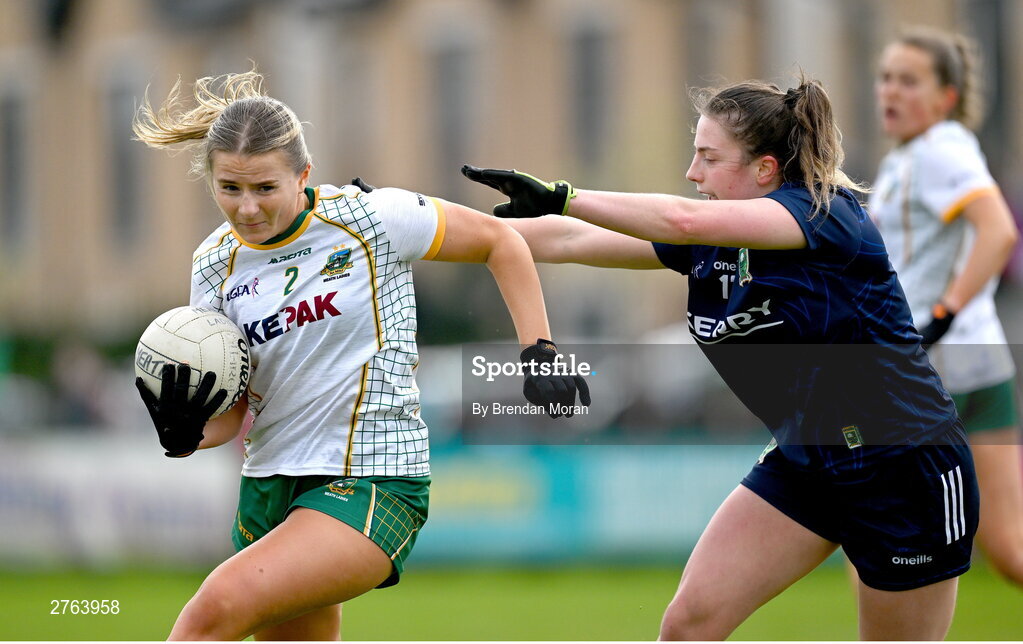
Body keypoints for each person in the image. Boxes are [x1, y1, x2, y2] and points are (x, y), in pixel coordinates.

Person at [462, 74, 979, 640]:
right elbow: (566, 240)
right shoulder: (712, 239)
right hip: (809, 457)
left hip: (902, 464)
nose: (692, 173)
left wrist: (565, 195)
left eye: (709, 158)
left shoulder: (824, 217)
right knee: (687, 628)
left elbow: (678, 219)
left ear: (764, 170)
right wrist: (415, 221)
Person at [131, 69, 588, 641]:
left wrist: (538, 350)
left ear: (304, 174)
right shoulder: (212, 262)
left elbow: (503, 242)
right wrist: (186, 431)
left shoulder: (372, 219)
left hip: (373, 478)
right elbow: (233, 407)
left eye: (265, 188)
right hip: (269, 486)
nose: (246, 208)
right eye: (230, 188)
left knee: (212, 610)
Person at [871, 26, 1022, 586]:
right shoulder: (912, 157)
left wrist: (940, 316)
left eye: (910, 81)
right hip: (981, 363)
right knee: (1009, 549)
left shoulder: (939, 150)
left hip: (935, 369)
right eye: (886, 78)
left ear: (947, 97)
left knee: (876, 528)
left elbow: (999, 231)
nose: (891, 91)